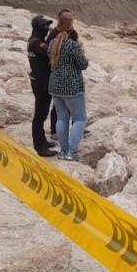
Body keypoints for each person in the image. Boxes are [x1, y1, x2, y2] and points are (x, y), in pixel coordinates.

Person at [48, 13, 89, 162]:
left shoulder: (52, 43)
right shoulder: (72, 45)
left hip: (55, 85)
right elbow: (84, 64)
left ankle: (63, 150)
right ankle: (72, 151)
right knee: (79, 119)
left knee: (62, 118)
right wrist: (81, 50)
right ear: (71, 26)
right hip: (71, 86)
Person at [26, 15, 58, 158]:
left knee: (42, 114)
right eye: (44, 27)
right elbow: (51, 53)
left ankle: (43, 141)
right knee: (40, 115)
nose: (46, 29)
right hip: (40, 82)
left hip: (42, 80)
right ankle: (39, 146)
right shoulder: (36, 43)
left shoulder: (36, 41)